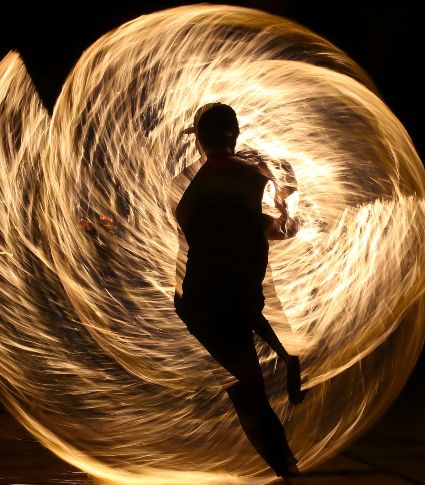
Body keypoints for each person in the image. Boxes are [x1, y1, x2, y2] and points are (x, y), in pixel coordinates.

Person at [173, 103, 305, 478]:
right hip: (228, 298)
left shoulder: (190, 184)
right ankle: (288, 471)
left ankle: (288, 470)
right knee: (248, 393)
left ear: (200, 140)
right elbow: (278, 232)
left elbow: (195, 240)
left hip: (206, 302)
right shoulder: (256, 178)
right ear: (235, 135)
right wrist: (287, 202)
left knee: (248, 395)